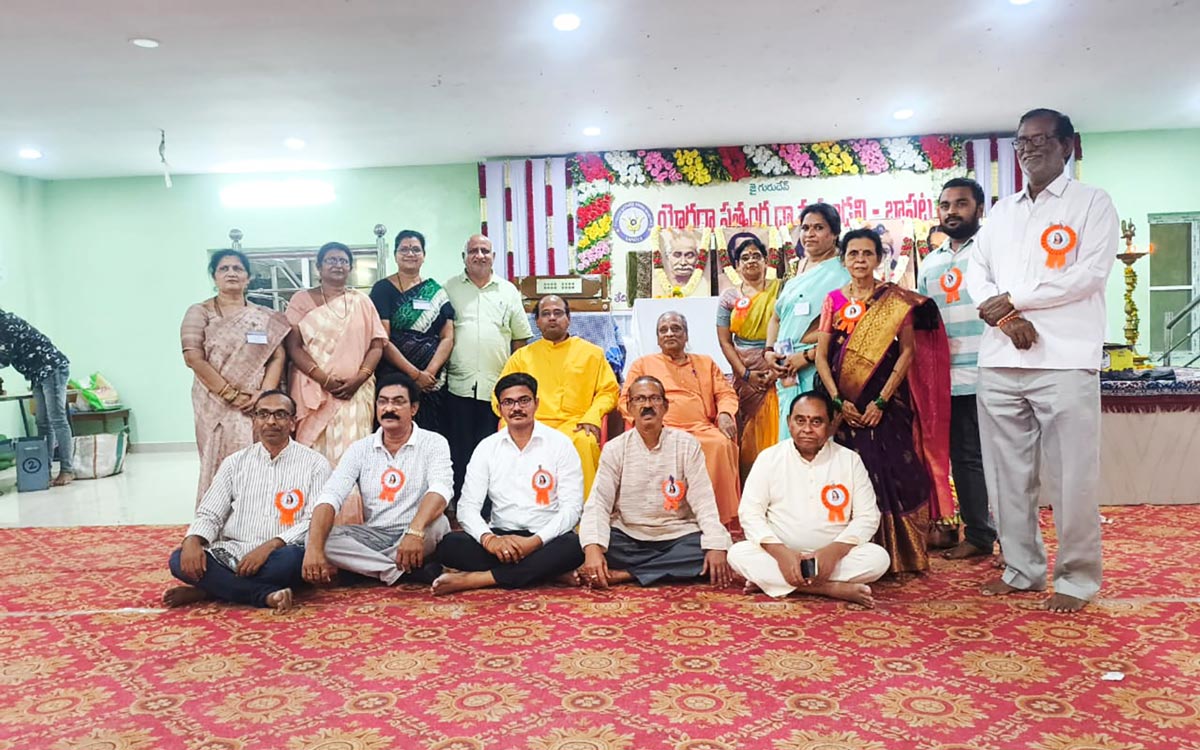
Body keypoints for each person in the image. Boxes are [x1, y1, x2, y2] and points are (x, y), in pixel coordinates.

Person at [966, 108, 1118, 613]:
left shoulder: (1092, 203)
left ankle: (1077, 578)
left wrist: (1014, 302)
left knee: (1073, 476)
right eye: (1021, 141)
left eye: (1040, 139)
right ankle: (1021, 569)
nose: (1029, 148)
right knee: (1006, 476)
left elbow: (1087, 275)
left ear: (1067, 145)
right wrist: (1005, 317)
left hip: (1065, 360)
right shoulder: (1001, 212)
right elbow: (978, 275)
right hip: (1000, 359)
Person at [814, 229, 953, 574]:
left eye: (867, 253)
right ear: (843, 259)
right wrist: (837, 402)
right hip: (844, 404)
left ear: (878, 258)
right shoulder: (833, 300)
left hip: (886, 403)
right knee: (852, 472)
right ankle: (853, 551)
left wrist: (880, 401)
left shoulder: (895, 300)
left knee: (896, 468)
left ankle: (902, 554)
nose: (860, 260)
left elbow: (907, 352)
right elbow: (821, 356)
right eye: (853, 253)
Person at [164, 391, 331, 611]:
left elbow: (312, 521)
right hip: (234, 550)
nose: (271, 421)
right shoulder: (234, 463)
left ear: (292, 422)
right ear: (254, 421)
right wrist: (192, 541)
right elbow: (210, 513)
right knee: (179, 560)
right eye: (263, 414)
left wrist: (268, 547)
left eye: (280, 415)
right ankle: (263, 594)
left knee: (291, 562)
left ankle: (212, 589)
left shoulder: (315, 463)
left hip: (281, 552)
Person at [729, 392, 890, 606]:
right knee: (737, 553)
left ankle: (773, 582)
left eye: (816, 422)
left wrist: (834, 551)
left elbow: (867, 516)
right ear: (789, 422)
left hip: (834, 556)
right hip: (781, 554)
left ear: (831, 425)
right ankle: (829, 588)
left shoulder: (849, 460)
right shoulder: (769, 458)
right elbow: (750, 513)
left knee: (878, 559)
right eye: (800, 420)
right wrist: (780, 553)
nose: (807, 429)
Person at [433, 373, 585, 595]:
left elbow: (572, 508)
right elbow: (467, 507)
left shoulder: (560, 444)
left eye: (524, 400)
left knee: (574, 547)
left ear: (536, 403)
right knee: (449, 545)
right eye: (508, 402)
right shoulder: (487, 447)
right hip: (500, 537)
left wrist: (534, 543)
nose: (517, 408)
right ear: (499, 408)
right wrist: (490, 540)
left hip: (546, 538)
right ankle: (548, 572)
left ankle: (479, 579)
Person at [578, 375, 733, 588]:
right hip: (629, 536)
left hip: (677, 534)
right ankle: (660, 569)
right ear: (629, 407)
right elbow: (599, 502)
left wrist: (715, 546)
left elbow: (703, 500)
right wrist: (593, 549)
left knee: (715, 549)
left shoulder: (687, 445)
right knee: (582, 546)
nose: (647, 405)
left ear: (665, 406)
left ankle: (627, 574)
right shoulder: (615, 448)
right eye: (640, 399)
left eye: (654, 399)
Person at [301, 373, 452, 586]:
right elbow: (331, 495)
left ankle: (365, 567)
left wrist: (414, 531)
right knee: (315, 537)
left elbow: (441, 489)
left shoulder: (433, 442)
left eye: (398, 402)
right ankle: (398, 571)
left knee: (439, 524)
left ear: (414, 409)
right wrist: (314, 548)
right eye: (383, 402)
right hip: (374, 535)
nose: (389, 408)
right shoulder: (360, 449)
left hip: (418, 529)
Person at [917, 178, 997, 560]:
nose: (951, 211)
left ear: (979, 208)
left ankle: (1010, 541)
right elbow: (920, 320)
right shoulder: (930, 262)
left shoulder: (991, 250)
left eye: (961, 204)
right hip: (947, 379)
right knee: (962, 458)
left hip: (993, 371)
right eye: (945, 205)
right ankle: (978, 534)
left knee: (999, 459)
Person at [285, 242, 387, 524]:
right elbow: (293, 346)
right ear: (318, 267)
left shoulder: (361, 301)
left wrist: (360, 377)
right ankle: (311, 525)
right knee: (314, 456)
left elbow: (377, 344)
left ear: (350, 267)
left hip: (356, 394)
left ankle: (350, 523)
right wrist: (324, 379)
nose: (337, 265)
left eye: (343, 260)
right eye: (330, 260)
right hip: (314, 391)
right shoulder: (301, 300)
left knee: (351, 457)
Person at [181, 249, 290, 502]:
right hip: (214, 401)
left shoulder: (265, 317)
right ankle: (217, 517)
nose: (231, 273)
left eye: (238, 269)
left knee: (261, 458)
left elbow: (277, 356)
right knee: (219, 461)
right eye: (224, 268)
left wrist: (264, 395)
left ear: (248, 277)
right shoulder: (200, 312)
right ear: (214, 276)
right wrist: (231, 395)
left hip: (256, 404)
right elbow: (193, 357)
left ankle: (258, 516)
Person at [622, 312, 741, 526]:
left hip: (701, 429)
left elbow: (725, 393)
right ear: (658, 338)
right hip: (661, 429)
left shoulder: (705, 362)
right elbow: (625, 400)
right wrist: (648, 422)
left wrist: (725, 413)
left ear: (686, 335)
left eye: (676, 328)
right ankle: (668, 516)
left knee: (720, 445)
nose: (670, 333)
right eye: (663, 330)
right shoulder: (643, 364)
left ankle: (715, 517)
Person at [495, 295, 619, 497]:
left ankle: (586, 512)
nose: (552, 318)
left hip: (576, 424)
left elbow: (608, 391)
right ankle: (519, 509)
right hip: (533, 423)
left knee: (586, 441)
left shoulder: (592, 353)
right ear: (537, 322)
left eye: (558, 313)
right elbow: (499, 394)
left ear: (568, 319)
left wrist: (593, 416)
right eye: (545, 314)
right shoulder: (522, 357)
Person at [443, 234, 534, 501]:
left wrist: (513, 383)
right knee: (459, 451)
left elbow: (520, 338)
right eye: (473, 250)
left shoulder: (508, 291)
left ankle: (491, 506)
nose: (479, 255)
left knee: (494, 451)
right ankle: (461, 505)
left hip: (496, 389)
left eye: (485, 251)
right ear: (464, 257)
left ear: (493, 257)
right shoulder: (448, 289)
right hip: (458, 386)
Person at [764, 204, 851, 442]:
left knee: (816, 437)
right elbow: (776, 317)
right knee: (790, 436)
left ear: (835, 233)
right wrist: (769, 351)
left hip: (818, 369)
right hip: (786, 369)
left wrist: (808, 356)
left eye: (818, 228)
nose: (809, 234)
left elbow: (848, 332)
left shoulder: (843, 273)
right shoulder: (799, 270)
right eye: (805, 228)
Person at [370, 229, 455, 435]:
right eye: (404, 249)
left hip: (432, 383)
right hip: (394, 376)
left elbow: (447, 336)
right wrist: (415, 375)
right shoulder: (382, 289)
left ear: (424, 255)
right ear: (395, 255)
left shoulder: (436, 291)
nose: (410, 253)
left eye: (416, 249)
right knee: (394, 430)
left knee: (430, 433)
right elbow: (383, 339)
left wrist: (429, 374)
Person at [716, 233, 783, 481]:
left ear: (766, 261)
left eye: (756, 256)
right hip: (745, 369)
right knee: (748, 432)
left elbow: (789, 328)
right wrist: (745, 374)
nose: (751, 260)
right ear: (737, 266)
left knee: (777, 427)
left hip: (778, 365)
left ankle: (779, 483)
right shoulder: (729, 297)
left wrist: (776, 370)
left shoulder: (780, 290)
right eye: (745, 257)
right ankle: (752, 484)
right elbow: (725, 341)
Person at [0, 309, 74, 485]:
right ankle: (43, 472)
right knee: (42, 423)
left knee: (57, 419)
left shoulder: (6, 323)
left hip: (51, 368)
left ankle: (67, 470)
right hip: (37, 373)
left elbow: (3, 358)